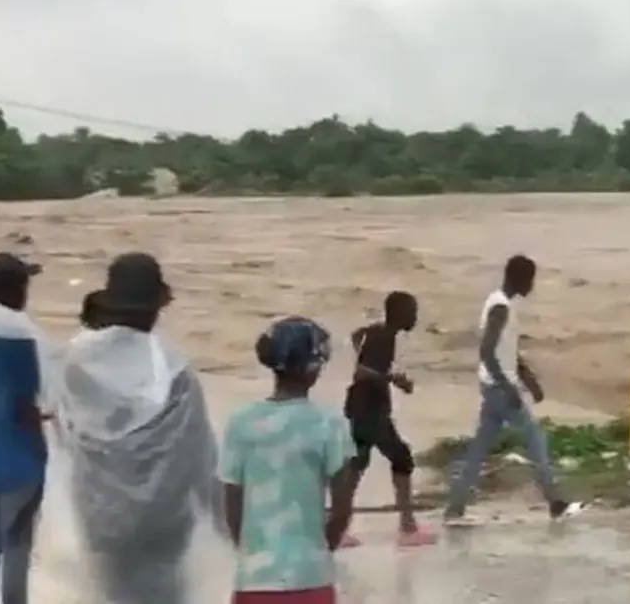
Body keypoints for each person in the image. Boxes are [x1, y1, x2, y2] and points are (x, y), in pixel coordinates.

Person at [55, 252, 224, 604]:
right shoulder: (173, 367)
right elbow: (200, 456)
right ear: (155, 306)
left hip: (98, 514)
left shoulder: (74, 357)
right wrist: (230, 521)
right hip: (164, 521)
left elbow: (64, 433)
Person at [221, 316, 356, 604]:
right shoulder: (330, 423)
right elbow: (343, 510)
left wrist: (252, 553)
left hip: (254, 581)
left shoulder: (240, 423)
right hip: (311, 578)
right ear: (313, 367)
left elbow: (232, 509)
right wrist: (320, 550)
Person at [443, 254, 582, 525]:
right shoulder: (500, 308)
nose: (532, 286)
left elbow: (505, 351)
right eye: (530, 279)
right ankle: (555, 503)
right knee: (535, 441)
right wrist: (508, 388)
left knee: (479, 449)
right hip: (499, 389)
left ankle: (454, 508)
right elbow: (486, 350)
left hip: (493, 386)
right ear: (519, 278)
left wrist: (528, 379)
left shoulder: (501, 304)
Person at [338, 291, 435, 548]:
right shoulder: (384, 337)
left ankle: (339, 526)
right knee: (399, 458)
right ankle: (407, 526)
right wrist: (394, 379)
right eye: (412, 311)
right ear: (399, 314)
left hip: (364, 406)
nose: (415, 317)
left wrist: (385, 374)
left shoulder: (379, 332)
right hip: (369, 408)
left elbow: (357, 336)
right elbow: (362, 372)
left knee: (358, 463)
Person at [0, 253, 49, 604]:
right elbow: (48, 400)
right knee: (17, 545)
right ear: (22, 288)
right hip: (22, 460)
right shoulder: (28, 333)